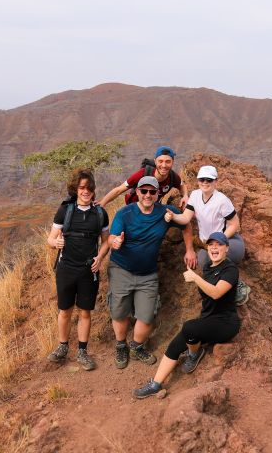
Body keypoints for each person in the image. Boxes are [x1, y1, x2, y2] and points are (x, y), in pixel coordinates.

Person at [132, 232, 241, 398]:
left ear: (226, 248)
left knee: (189, 328)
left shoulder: (230, 269)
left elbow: (217, 293)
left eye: (219, 244)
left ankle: (194, 353)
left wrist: (196, 278)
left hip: (226, 323)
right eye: (211, 245)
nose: (214, 248)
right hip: (208, 321)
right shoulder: (208, 268)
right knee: (175, 344)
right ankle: (155, 384)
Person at [95, 175, 186, 369]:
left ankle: (136, 347)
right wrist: (115, 242)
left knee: (147, 316)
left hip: (148, 274)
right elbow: (111, 238)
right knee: (119, 312)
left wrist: (191, 249)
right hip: (121, 269)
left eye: (152, 192)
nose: (147, 195)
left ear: (157, 194)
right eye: (143, 191)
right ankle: (121, 346)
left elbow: (186, 223)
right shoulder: (125, 213)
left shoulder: (166, 212)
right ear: (137, 193)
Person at [46, 168, 110, 371]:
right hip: (66, 268)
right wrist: (55, 243)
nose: (86, 191)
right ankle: (62, 347)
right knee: (64, 310)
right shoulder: (65, 210)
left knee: (85, 312)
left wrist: (100, 258)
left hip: (88, 270)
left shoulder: (100, 213)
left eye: (89, 188)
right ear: (75, 188)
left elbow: (106, 242)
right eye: (82, 188)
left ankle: (82, 351)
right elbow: (50, 238)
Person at [99, 145, 195, 268]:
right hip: (134, 209)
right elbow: (119, 190)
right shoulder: (142, 174)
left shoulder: (172, 176)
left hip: (152, 208)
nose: (164, 165)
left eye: (168, 162)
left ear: (172, 162)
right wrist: (102, 204)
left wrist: (185, 195)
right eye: (160, 161)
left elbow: (181, 184)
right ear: (155, 161)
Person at [163, 165, 244, 269]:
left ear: (215, 181)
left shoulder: (222, 200)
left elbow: (234, 224)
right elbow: (185, 218)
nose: (205, 182)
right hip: (207, 243)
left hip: (227, 239)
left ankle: (230, 279)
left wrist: (219, 241)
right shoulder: (195, 195)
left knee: (217, 260)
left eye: (209, 180)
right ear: (198, 181)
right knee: (203, 262)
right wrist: (174, 216)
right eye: (202, 179)